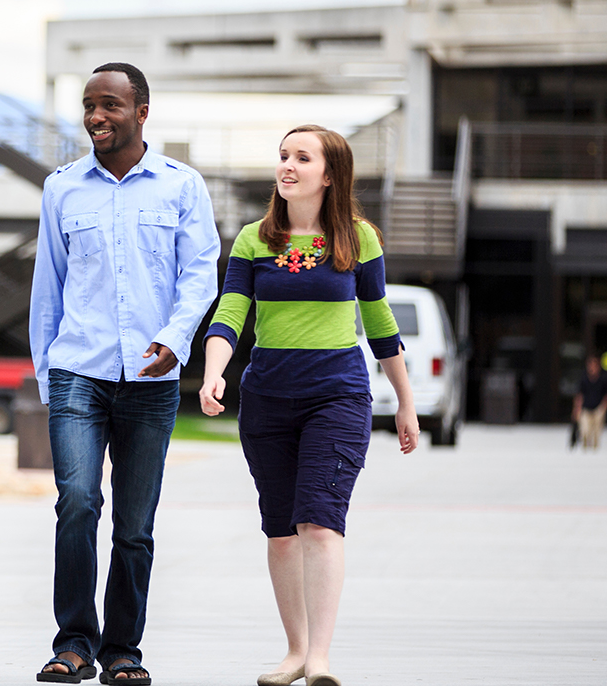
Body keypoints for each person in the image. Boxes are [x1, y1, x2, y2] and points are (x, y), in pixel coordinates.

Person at [199, 124, 418, 686]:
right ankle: (295, 652)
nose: (287, 166)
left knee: (319, 524)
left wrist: (406, 403)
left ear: (330, 174)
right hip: (267, 399)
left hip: (337, 397)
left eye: (302, 157)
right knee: (279, 529)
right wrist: (215, 372)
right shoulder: (253, 238)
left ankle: (320, 659)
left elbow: (379, 322)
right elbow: (230, 312)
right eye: (282, 156)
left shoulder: (358, 239)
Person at [30, 63, 220, 686]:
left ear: (142, 112)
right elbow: (47, 290)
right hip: (77, 373)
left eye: (109, 105)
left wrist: (175, 338)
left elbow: (200, 272)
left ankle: (122, 652)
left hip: (151, 378)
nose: (95, 117)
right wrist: (47, 378)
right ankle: (73, 644)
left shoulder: (181, 186)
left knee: (135, 528)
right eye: (88, 105)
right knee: (77, 503)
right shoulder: (62, 188)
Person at [573, 354, 607, 451]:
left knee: (596, 433)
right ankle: (585, 450)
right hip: (586, 409)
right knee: (585, 431)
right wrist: (576, 409)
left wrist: (603, 407)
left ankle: (595, 453)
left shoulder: (603, 379)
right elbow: (579, 395)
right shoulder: (584, 379)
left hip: (598, 409)